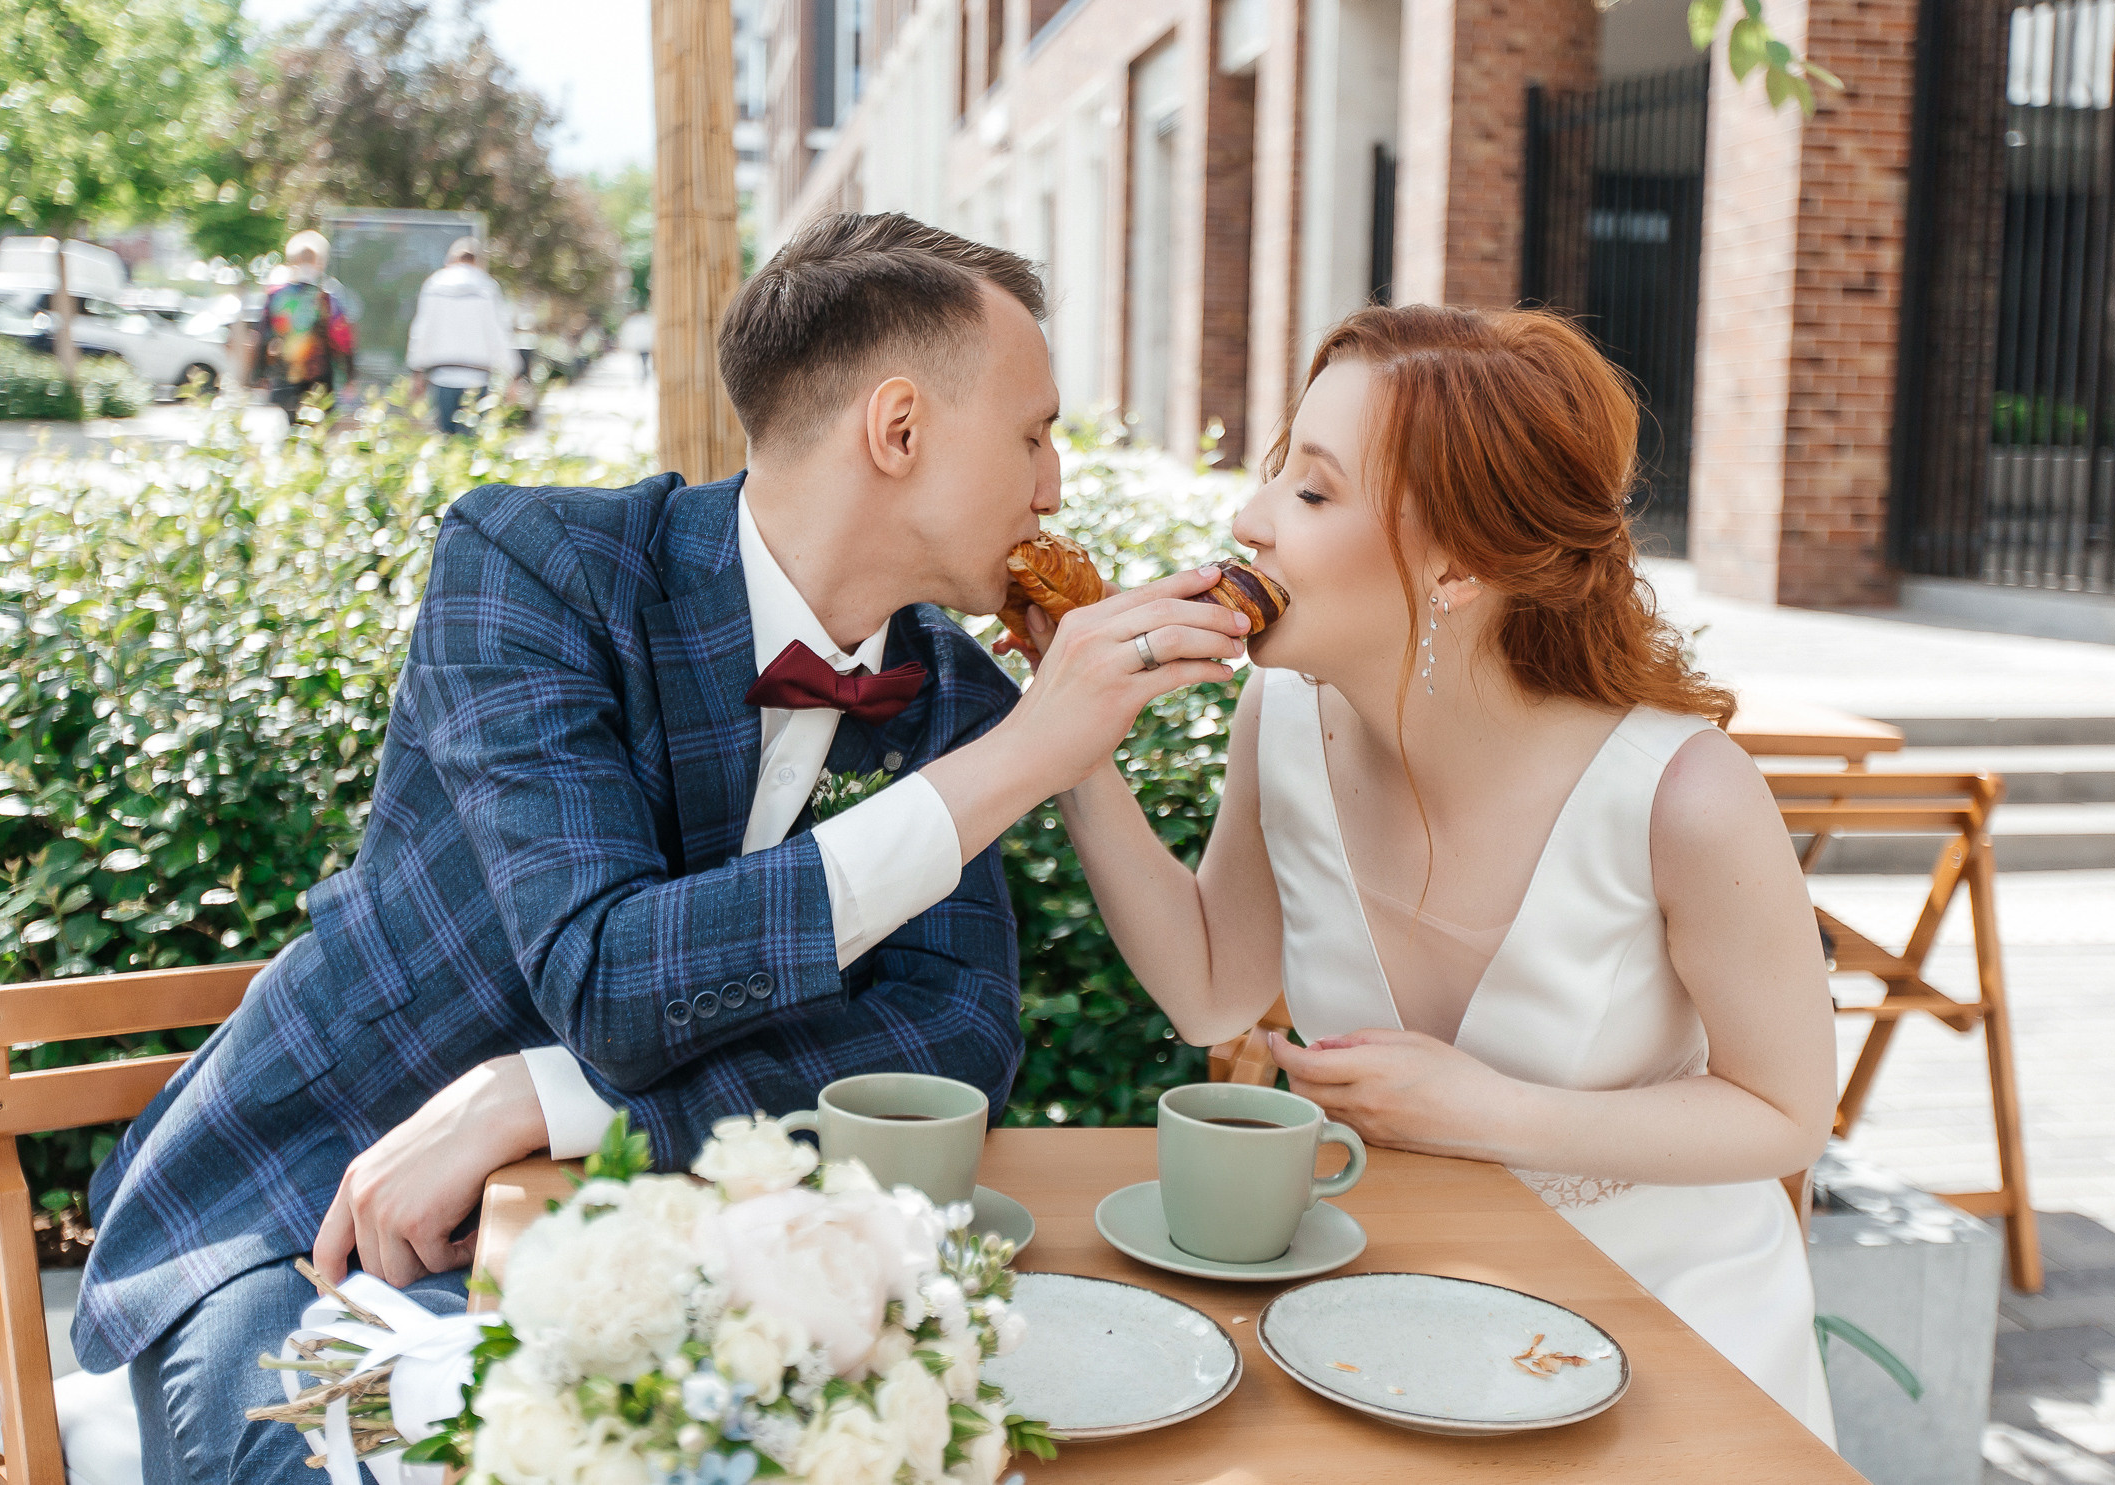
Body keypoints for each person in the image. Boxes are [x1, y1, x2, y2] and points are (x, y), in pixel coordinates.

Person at [73, 213, 1254, 1484]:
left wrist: (552, 1100)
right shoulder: (535, 564)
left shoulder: (956, 696)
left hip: (673, 1257)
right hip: (313, 1210)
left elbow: (945, 1045)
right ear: (898, 429)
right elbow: (606, 975)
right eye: (1033, 433)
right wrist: (1030, 757)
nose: (1054, 486)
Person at [1040, 305, 1840, 1444]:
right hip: (1391, 1331)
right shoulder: (1280, 717)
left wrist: (1498, 1115)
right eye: (1277, 473)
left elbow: (1785, 1115)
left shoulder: (1686, 797)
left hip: (1672, 1338)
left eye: (1312, 493)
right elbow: (1211, 988)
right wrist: (1070, 742)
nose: (1248, 519)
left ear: (1458, 563)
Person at [405, 237, 513, 434]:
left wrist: (417, 371)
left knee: (445, 440)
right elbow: (499, 334)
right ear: (477, 262)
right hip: (478, 377)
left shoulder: (435, 284)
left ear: (451, 259)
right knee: (472, 442)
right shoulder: (487, 286)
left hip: (442, 376)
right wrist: (511, 374)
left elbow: (421, 329)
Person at [254, 231, 355, 427]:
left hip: (285, 374)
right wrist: (350, 374)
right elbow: (342, 339)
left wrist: (260, 374)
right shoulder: (328, 296)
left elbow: (264, 335)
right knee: (319, 432)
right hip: (321, 376)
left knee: (292, 431)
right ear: (321, 261)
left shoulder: (276, 295)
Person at [620, 305, 655, 381]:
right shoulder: (646, 320)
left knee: (641, 359)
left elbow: (628, 334)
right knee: (643, 359)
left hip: (640, 344)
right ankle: (644, 371)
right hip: (645, 344)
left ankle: (643, 372)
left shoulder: (634, 321)